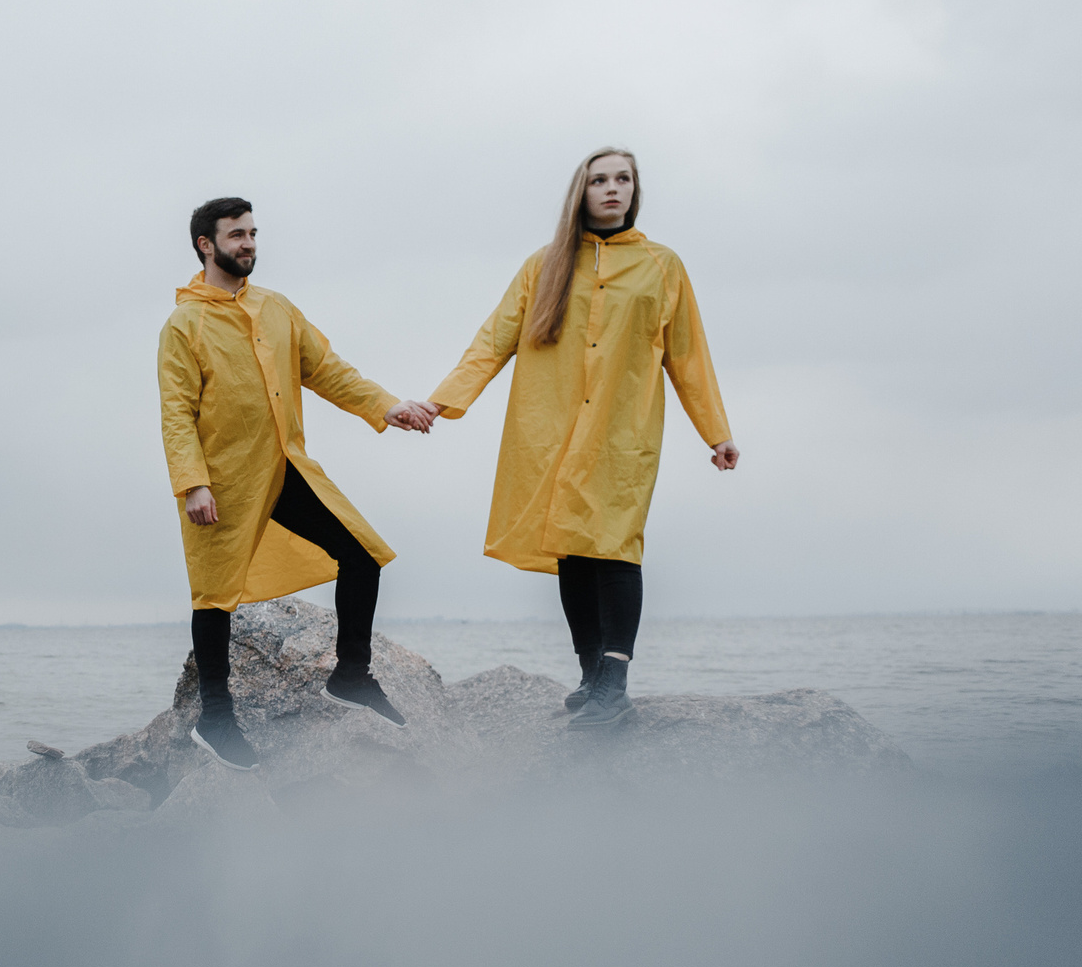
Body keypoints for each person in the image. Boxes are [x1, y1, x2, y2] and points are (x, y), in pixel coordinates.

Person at [424, 148, 737, 727]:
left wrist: (715, 432)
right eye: (599, 180)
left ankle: (614, 684)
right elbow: (493, 340)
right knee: (571, 550)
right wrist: (441, 402)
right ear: (581, 191)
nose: (612, 189)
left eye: (623, 179)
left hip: (622, 430)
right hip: (551, 427)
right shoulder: (543, 266)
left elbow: (688, 355)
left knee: (615, 545)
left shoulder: (662, 265)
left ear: (634, 190)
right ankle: (592, 674)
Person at [160, 197, 437, 769]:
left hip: (285, 467)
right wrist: (193, 484)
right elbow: (176, 412)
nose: (249, 244)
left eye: (253, 233)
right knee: (214, 597)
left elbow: (327, 369)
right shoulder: (184, 325)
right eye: (236, 235)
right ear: (205, 245)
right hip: (223, 483)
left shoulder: (276, 308)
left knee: (362, 555)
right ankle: (216, 717)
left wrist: (385, 406)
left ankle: (351, 674)